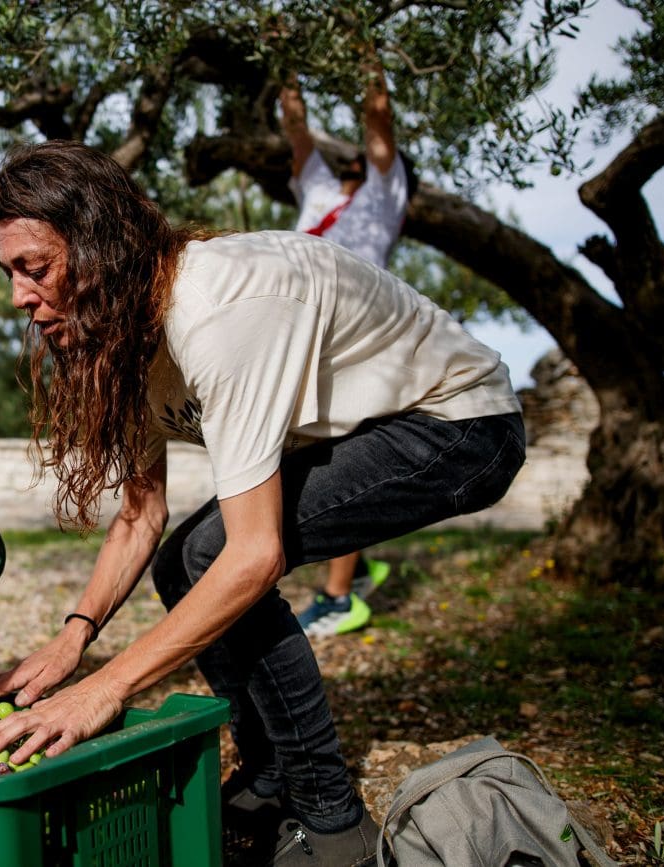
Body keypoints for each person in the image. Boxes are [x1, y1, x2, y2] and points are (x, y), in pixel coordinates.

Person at [0, 140, 524, 866]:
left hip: (461, 424)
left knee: (214, 557)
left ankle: (331, 821)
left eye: (35, 268)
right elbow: (142, 514)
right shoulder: (127, 335)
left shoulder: (215, 310)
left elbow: (255, 554)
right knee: (183, 563)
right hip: (379, 426)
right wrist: (74, 636)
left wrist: (103, 689)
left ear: (99, 248)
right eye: (10, 272)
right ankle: (270, 777)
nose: (18, 296)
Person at [279, 63, 409, 639]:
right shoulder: (320, 191)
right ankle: (355, 566)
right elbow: (297, 131)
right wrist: (292, 61)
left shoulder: (386, 194)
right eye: (349, 163)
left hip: (350, 335)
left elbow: (379, 121)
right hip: (301, 333)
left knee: (339, 460)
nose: (353, 166)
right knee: (306, 458)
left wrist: (361, 45)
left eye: (360, 162)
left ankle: (339, 599)